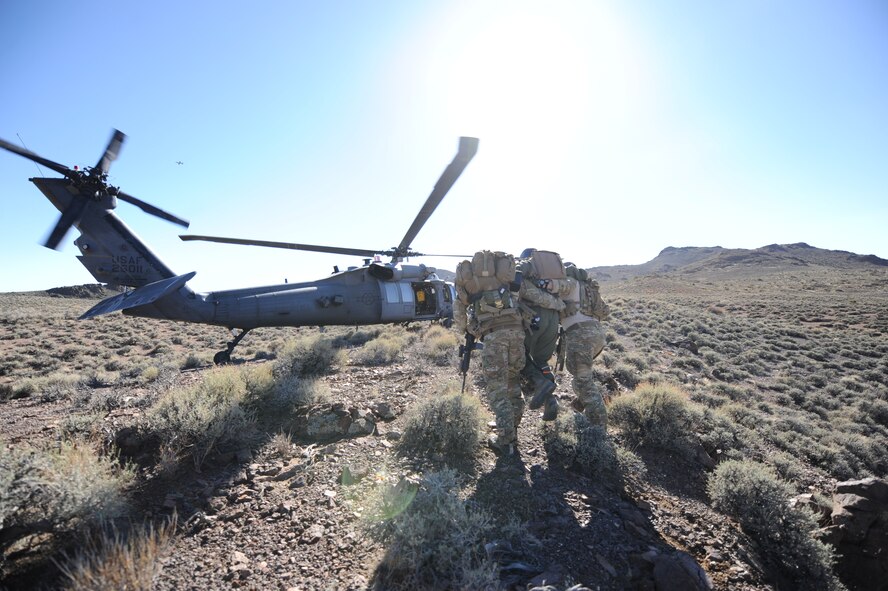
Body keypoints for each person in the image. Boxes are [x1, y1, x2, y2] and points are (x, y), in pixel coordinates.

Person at [453, 250, 526, 455]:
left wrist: (466, 329)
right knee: (513, 382)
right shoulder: (505, 279)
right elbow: (518, 298)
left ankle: (505, 440)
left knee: (497, 389)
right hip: (517, 333)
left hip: (494, 337)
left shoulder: (469, 284)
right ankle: (513, 428)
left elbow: (459, 311)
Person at [515, 248, 570, 422]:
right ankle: (550, 400)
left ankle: (538, 389)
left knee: (520, 358)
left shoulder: (526, 277)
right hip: (553, 321)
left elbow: (526, 294)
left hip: (534, 319)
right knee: (541, 361)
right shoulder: (551, 279)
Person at [559, 262, 610, 426]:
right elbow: (606, 312)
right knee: (578, 373)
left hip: (580, 336)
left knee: (583, 381)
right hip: (597, 335)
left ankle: (599, 426)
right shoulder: (590, 288)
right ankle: (579, 406)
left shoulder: (570, 283)